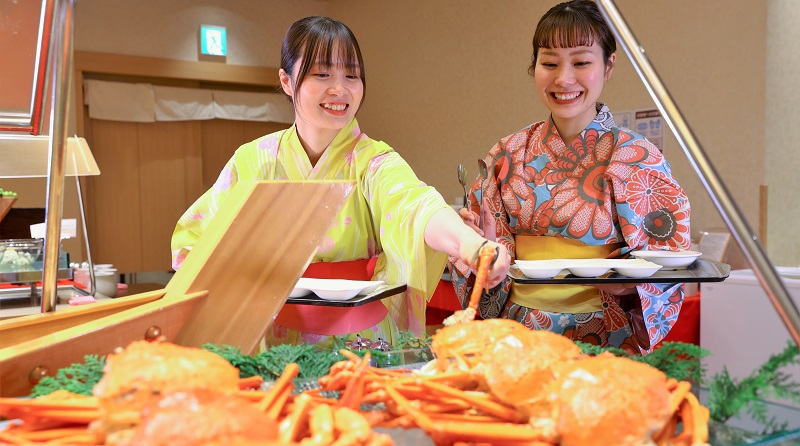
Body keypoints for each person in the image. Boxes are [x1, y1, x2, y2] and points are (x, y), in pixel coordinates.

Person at [171, 16, 509, 347]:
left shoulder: (373, 160)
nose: (340, 89)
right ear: (287, 81)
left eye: (352, 75)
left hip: (361, 336)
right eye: (321, 73)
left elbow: (415, 205)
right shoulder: (253, 161)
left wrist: (470, 245)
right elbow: (199, 244)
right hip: (274, 333)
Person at [449, 0, 691, 354]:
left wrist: (633, 283)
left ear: (608, 66)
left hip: (604, 330)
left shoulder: (637, 158)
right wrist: (475, 245)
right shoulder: (507, 153)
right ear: (535, 67)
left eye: (581, 62)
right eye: (549, 63)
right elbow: (484, 258)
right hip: (518, 330)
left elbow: (667, 255)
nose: (563, 79)